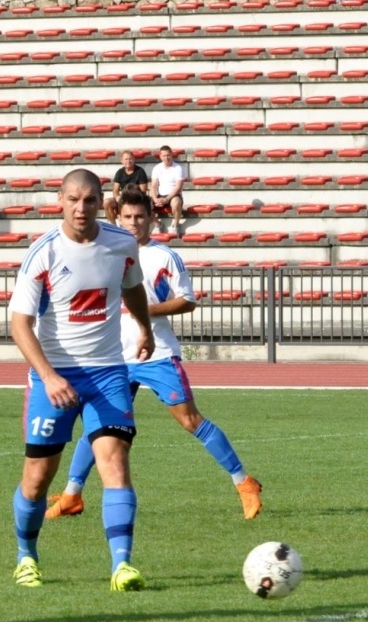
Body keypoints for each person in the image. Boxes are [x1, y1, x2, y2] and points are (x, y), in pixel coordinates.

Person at [45, 189, 263, 522]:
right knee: (99, 425)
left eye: (140, 217)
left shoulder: (164, 257)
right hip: (112, 357)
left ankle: (244, 483)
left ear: (151, 218)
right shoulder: (107, 250)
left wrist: (144, 311)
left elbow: (188, 300)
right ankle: (72, 494)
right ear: (118, 218)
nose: (133, 223)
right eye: (127, 217)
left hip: (156, 354)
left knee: (190, 420)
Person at [8, 169, 155, 591]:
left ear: (101, 202)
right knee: (38, 478)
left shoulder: (121, 243)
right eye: (73, 199)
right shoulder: (43, 253)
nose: (81, 208)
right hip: (54, 378)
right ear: (59, 200)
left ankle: (122, 565)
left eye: (89, 200)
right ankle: (26, 556)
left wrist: (144, 328)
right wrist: (48, 376)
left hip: (108, 372)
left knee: (115, 463)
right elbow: (19, 325)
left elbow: (132, 287)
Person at [148, 145, 188, 240]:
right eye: (164, 155)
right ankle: (158, 224)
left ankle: (175, 226)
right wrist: (155, 199)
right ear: (160, 156)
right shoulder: (156, 168)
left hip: (173, 195)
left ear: (172, 155)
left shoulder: (178, 168)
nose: (166, 158)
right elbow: (153, 186)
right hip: (160, 195)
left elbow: (178, 187)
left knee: (176, 203)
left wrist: (166, 199)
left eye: (168, 155)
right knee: (145, 204)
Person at [104, 150, 149, 223]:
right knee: (107, 202)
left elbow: (143, 190)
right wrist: (117, 197)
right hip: (123, 197)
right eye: (126, 159)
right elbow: (115, 189)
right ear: (122, 161)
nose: (128, 161)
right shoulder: (120, 172)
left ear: (134, 160)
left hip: (136, 198)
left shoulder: (140, 171)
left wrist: (133, 198)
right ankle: (113, 225)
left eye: (130, 159)